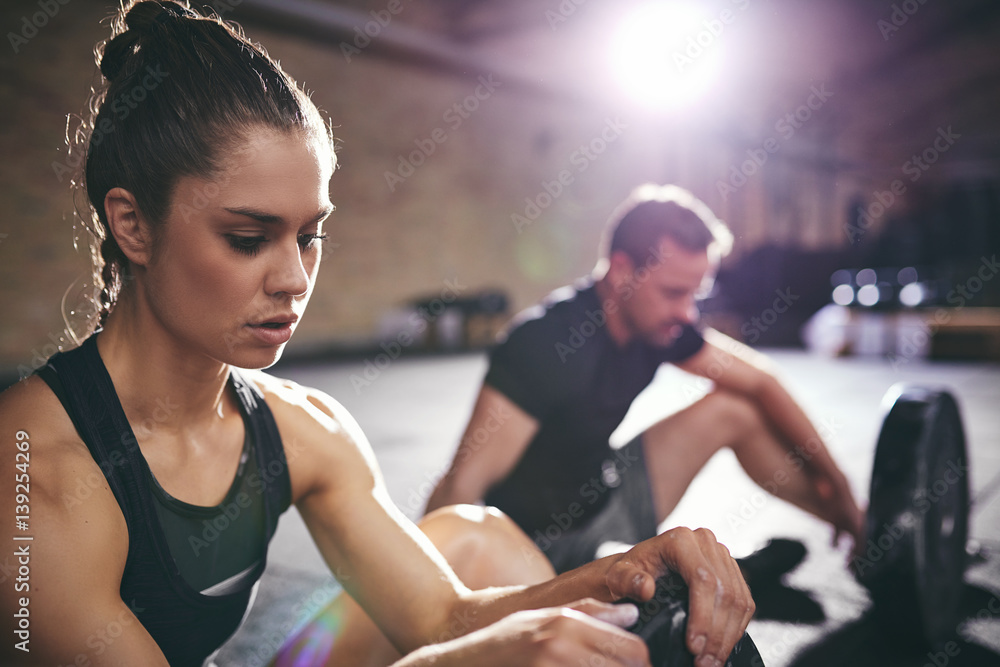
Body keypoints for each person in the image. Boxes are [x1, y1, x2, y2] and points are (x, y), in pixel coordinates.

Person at [0, 3, 753, 666]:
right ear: (132, 224)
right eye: (247, 237)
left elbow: (442, 617)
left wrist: (622, 573)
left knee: (478, 535)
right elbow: (448, 648)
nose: (294, 277)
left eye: (310, 235)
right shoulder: (36, 471)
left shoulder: (303, 428)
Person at [424, 184, 866, 574]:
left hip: (606, 498)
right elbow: (460, 490)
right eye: (674, 292)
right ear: (621, 272)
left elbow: (762, 382)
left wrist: (840, 491)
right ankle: (692, 578)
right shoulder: (543, 345)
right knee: (624, 607)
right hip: (532, 554)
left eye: (696, 294)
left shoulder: (660, 326)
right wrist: (440, 611)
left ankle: (862, 531)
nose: (687, 313)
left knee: (735, 408)